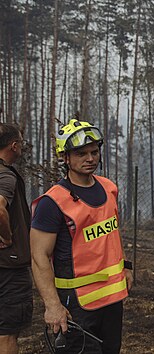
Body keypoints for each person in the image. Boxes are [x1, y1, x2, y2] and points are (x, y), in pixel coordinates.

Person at [31, 118, 133, 354]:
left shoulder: (109, 188)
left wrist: (126, 265)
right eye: (81, 153)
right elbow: (39, 257)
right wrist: (52, 306)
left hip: (112, 300)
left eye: (94, 152)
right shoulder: (53, 202)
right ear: (65, 158)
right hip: (75, 304)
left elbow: (112, 233)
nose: (90, 158)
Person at [0, 123, 32, 354]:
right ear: (13, 146)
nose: (22, 146)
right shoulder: (6, 177)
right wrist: (7, 237)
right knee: (7, 332)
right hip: (8, 267)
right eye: (20, 142)